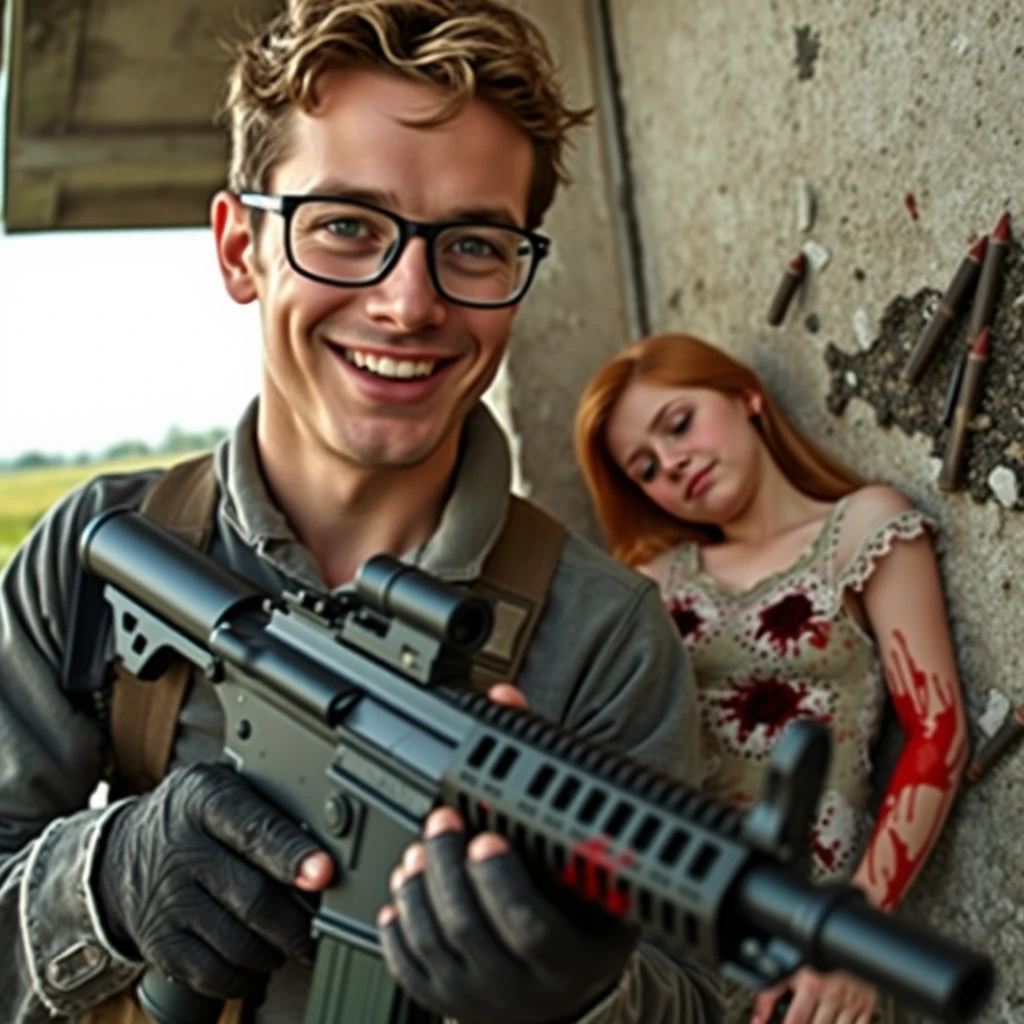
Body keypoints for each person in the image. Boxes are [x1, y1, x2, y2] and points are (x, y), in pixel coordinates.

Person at [0, 5, 720, 1024]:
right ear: (239, 248)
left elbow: (695, 997)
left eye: (473, 243)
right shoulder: (94, 557)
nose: (408, 301)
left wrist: (583, 993)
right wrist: (107, 882)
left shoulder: (601, 634)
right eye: (345, 227)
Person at [574, 333, 969, 1024]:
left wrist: (857, 939)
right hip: (666, 949)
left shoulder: (861, 529)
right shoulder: (650, 584)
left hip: (811, 951)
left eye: (679, 423)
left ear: (745, 395)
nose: (673, 463)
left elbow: (937, 734)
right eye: (645, 467)